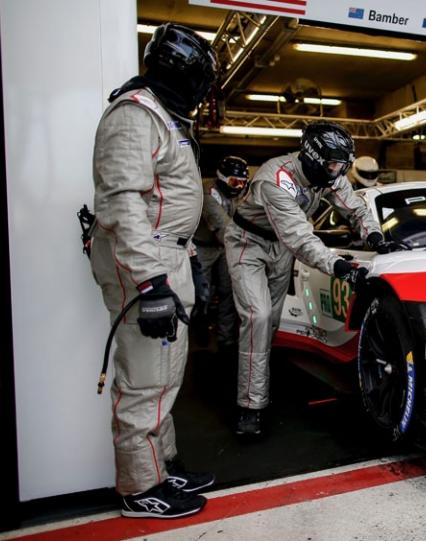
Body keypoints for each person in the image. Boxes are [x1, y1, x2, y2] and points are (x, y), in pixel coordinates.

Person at [89, 23, 217, 519]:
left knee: (163, 376)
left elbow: (160, 203)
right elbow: (121, 204)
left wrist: (184, 265)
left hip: (166, 256)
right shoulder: (134, 115)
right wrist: (150, 281)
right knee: (144, 379)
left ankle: (162, 466)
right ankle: (141, 489)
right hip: (147, 263)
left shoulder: (160, 115)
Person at [224, 122, 399, 437]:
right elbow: (300, 239)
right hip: (247, 243)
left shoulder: (328, 175)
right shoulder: (275, 179)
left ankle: (256, 374)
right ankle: (250, 407)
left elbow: (355, 209)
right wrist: (338, 266)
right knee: (258, 316)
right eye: (334, 164)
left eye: (342, 166)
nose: (338, 172)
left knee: (271, 320)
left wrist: (374, 235)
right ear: (313, 158)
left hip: (280, 248)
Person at [192, 156, 249, 350]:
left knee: (229, 291)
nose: (239, 186)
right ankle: (197, 332)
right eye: (234, 181)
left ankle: (226, 338)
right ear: (222, 177)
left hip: (226, 248)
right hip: (203, 247)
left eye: (243, 182)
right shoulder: (208, 193)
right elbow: (222, 226)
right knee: (202, 293)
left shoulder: (241, 194)